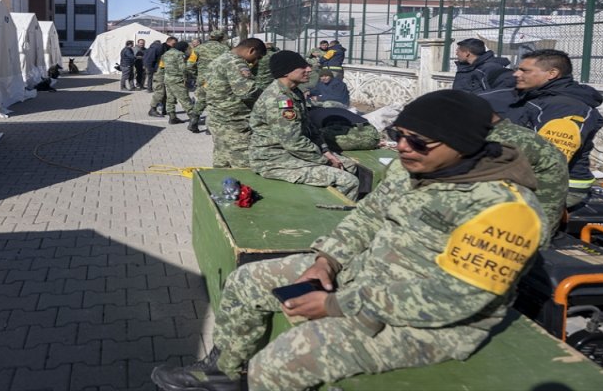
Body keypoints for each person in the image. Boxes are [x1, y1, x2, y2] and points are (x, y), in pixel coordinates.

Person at [150, 90, 545, 391]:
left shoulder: (507, 211)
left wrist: (336, 304)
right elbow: (368, 216)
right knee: (246, 281)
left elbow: (455, 299)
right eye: (398, 135)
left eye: (419, 141)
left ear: (463, 144)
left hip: (432, 325)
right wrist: (327, 262)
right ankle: (223, 373)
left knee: (279, 363)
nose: (403, 147)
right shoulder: (417, 170)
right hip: (367, 277)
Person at [481, 49, 603, 205]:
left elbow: (551, 160)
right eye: (517, 69)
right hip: (526, 178)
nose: (516, 74)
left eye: (525, 70)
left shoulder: (567, 107)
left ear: (552, 73)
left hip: (557, 188)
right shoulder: (534, 96)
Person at [248, 51, 360, 199]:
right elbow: (293, 142)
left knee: (349, 166)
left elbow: (309, 127)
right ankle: (331, 212)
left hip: (292, 153)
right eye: (302, 67)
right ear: (286, 72)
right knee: (348, 182)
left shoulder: (295, 91)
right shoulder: (278, 99)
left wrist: (325, 150)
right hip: (273, 160)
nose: (309, 69)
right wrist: (326, 161)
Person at [203, 38, 267, 168]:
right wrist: (269, 96)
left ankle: (221, 180)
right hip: (234, 122)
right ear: (251, 50)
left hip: (217, 118)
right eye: (257, 57)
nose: (256, 61)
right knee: (244, 165)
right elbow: (247, 91)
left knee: (222, 159)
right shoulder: (236, 63)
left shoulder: (219, 60)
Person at [187, 29, 232, 133]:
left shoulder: (198, 48)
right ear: (221, 38)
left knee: (201, 100)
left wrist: (196, 75)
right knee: (216, 102)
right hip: (219, 79)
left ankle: (193, 122)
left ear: (209, 37)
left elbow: (189, 65)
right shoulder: (225, 49)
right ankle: (209, 128)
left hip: (203, 80)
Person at [161, 39, 192, 124]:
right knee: (184, 99)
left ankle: (172, 117)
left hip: (167, 79)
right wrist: (187, 78)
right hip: (177, 80)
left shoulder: (166, 53)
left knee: (170, 99)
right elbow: (183, 68)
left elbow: (162, 67)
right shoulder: (179, 54)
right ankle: (193, 118)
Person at [148, 36, 178, 116]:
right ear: (169, 41)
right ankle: (152, 109)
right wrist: (154, 70)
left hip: (167, 73)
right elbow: (149, 60)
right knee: (160, 92)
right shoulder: (160, 48)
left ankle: (165, 109)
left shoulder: (171, 49)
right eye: (173, 43)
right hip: (159, 74)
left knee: (167, 93)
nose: (175, 45)